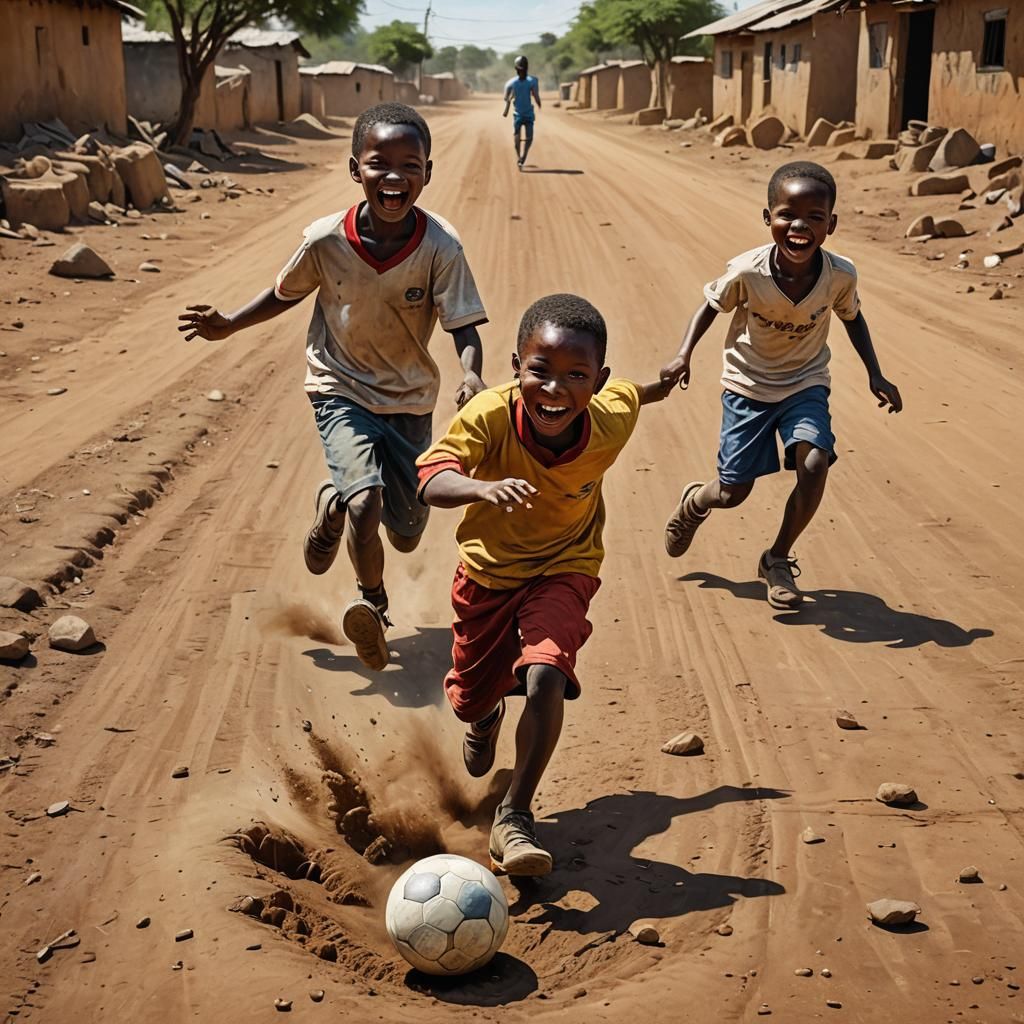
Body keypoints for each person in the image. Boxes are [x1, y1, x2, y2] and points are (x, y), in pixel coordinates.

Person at [177, 103, 488, 670]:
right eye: (379, 164)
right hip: (338, 388)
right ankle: (373, 603)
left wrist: (471, 371)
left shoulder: (441, 246)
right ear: (354, 169)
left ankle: (331, 503)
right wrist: (230, 324)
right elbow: (285, 292)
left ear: (427, 173)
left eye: (409, 165)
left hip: (410, 401)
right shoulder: (325, 239)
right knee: (365, 504)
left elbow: (463, 324)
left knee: (407, 531)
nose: (394, 178)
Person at [417, 294, 671, 876]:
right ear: (515, 367)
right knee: (474, 699)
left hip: (566, 566)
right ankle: (483, 717)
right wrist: (481, 489)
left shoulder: (610, 415)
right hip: (487, 574)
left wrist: (666, 381)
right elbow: (432, 477)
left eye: (576, 377)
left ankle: (515, 816)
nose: (556, 391)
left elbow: (636, 394)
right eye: (541, 372)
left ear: (598, 382)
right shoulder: (488, 413)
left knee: (545, 673)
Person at [659, 160, 902, 609]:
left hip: (805, 382)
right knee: (732, 493)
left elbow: (852, 318)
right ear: (767, 217)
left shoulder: (840, 275)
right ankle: (695, 503)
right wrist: (683, 353)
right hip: (747, 384)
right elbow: (710, 306)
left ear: (831, 223)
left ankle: (776, 558)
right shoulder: (747, 271)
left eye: (814, 217)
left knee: (814, 464)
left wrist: (875, 372)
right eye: (787, 214)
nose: (799, 226)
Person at [503, 55, 541, 170]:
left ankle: (522, 157)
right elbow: (506, 97)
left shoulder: (531, 81)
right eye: (520, 69)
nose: (521, 71)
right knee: (519, 137)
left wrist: (538, 102)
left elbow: (535, 94)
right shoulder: (513, 83)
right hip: (519, 114)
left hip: (527, 113)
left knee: (528, 138)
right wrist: (509, 98)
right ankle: (520, 157)